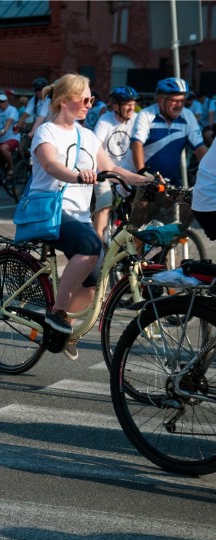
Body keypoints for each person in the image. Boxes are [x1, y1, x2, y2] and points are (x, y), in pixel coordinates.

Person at [31, 74, 149, 360]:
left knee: (97, 278)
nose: (89, 104)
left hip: (78, 215)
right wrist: (77, 175)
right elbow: (50, 164)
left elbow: (112, 168)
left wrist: (148, 182)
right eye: (84, 99)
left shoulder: (87, 135)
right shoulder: (46, 131)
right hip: (47, 210)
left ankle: (64, 327)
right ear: (64, 100)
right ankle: (57, 311)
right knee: (89, 248)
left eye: (91, 100)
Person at [131, 77, 207, 185]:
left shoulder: (187, 115)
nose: (179, 105)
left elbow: (200, 148)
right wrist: (143, 174)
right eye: (175, 100)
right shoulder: (146, 115)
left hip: (172, 181)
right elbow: (136, 144)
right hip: (145, 179)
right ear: (161, 100)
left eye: (182, 100)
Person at [92, 86, 139, 238]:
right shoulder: (105, 120)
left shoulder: (137, 120)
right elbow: (95, 144)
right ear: (115, 106)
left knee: (138, 206)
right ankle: (97, 245)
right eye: (127, 104)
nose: (131, 107)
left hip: (129, 173)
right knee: (105, 203)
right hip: (105, 172)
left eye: (133, 103)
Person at [16, 77, 49, 146]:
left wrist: (32, 131)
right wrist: (17, 127)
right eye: (35, 90)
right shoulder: (34, 100)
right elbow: (25, 114)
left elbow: (41, 117)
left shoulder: (49, 99)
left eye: (39, 89)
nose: (37, 92)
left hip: (50, 127)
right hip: (40, 128)